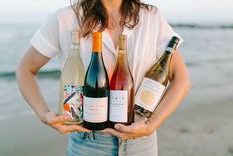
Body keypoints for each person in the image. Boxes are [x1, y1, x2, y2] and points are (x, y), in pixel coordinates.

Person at [16, 0, 190, 155]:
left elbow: (181, 78)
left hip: (141, 144)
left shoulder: (151, 17)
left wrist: (151, 124)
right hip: (87, 144)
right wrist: (44, 114)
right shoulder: (65, 19)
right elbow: (26, 69)